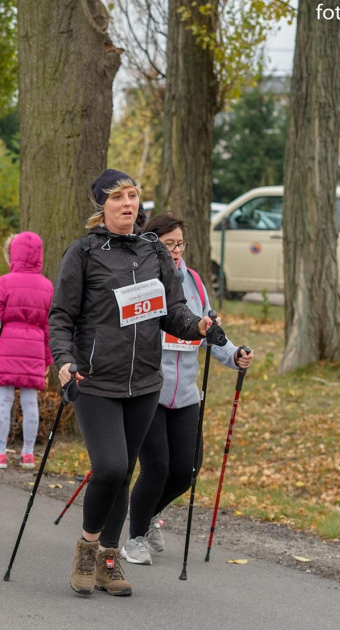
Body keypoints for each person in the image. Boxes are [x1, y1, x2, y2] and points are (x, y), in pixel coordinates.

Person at [50, 169, 217, 597]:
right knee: (110, 467)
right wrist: (65, 361)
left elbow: (173, 313)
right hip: (95, 380)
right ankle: (87, 549)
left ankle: (109, 561)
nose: (128, 203)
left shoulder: (154, 252)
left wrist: (197, 325)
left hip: (144, 382)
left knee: (125, 475)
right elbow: (61, 317)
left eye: (133, 196)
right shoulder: (84, 252)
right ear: (101, 207)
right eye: (119, 197)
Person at [122, 212, 254, 565]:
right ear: (152, 245)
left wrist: (234, 354)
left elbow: (210, 332)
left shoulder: (194, 281)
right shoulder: (143, 281)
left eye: (180, 244)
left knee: (186, 471)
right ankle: (133, 538)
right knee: (158, 467)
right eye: (168, 245)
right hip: (149, 390)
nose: (176, 251)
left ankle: (148, 515)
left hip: (186, 395)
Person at [0, 232, 53, 470]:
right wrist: (47, 359)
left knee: (4, 400)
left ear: (14, 254)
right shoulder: (47, 286)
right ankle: (28, 455)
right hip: (34, 350)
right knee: (31, 401)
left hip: (7, 349)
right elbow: (50, 326)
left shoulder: (5, 282)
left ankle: (0, 454)